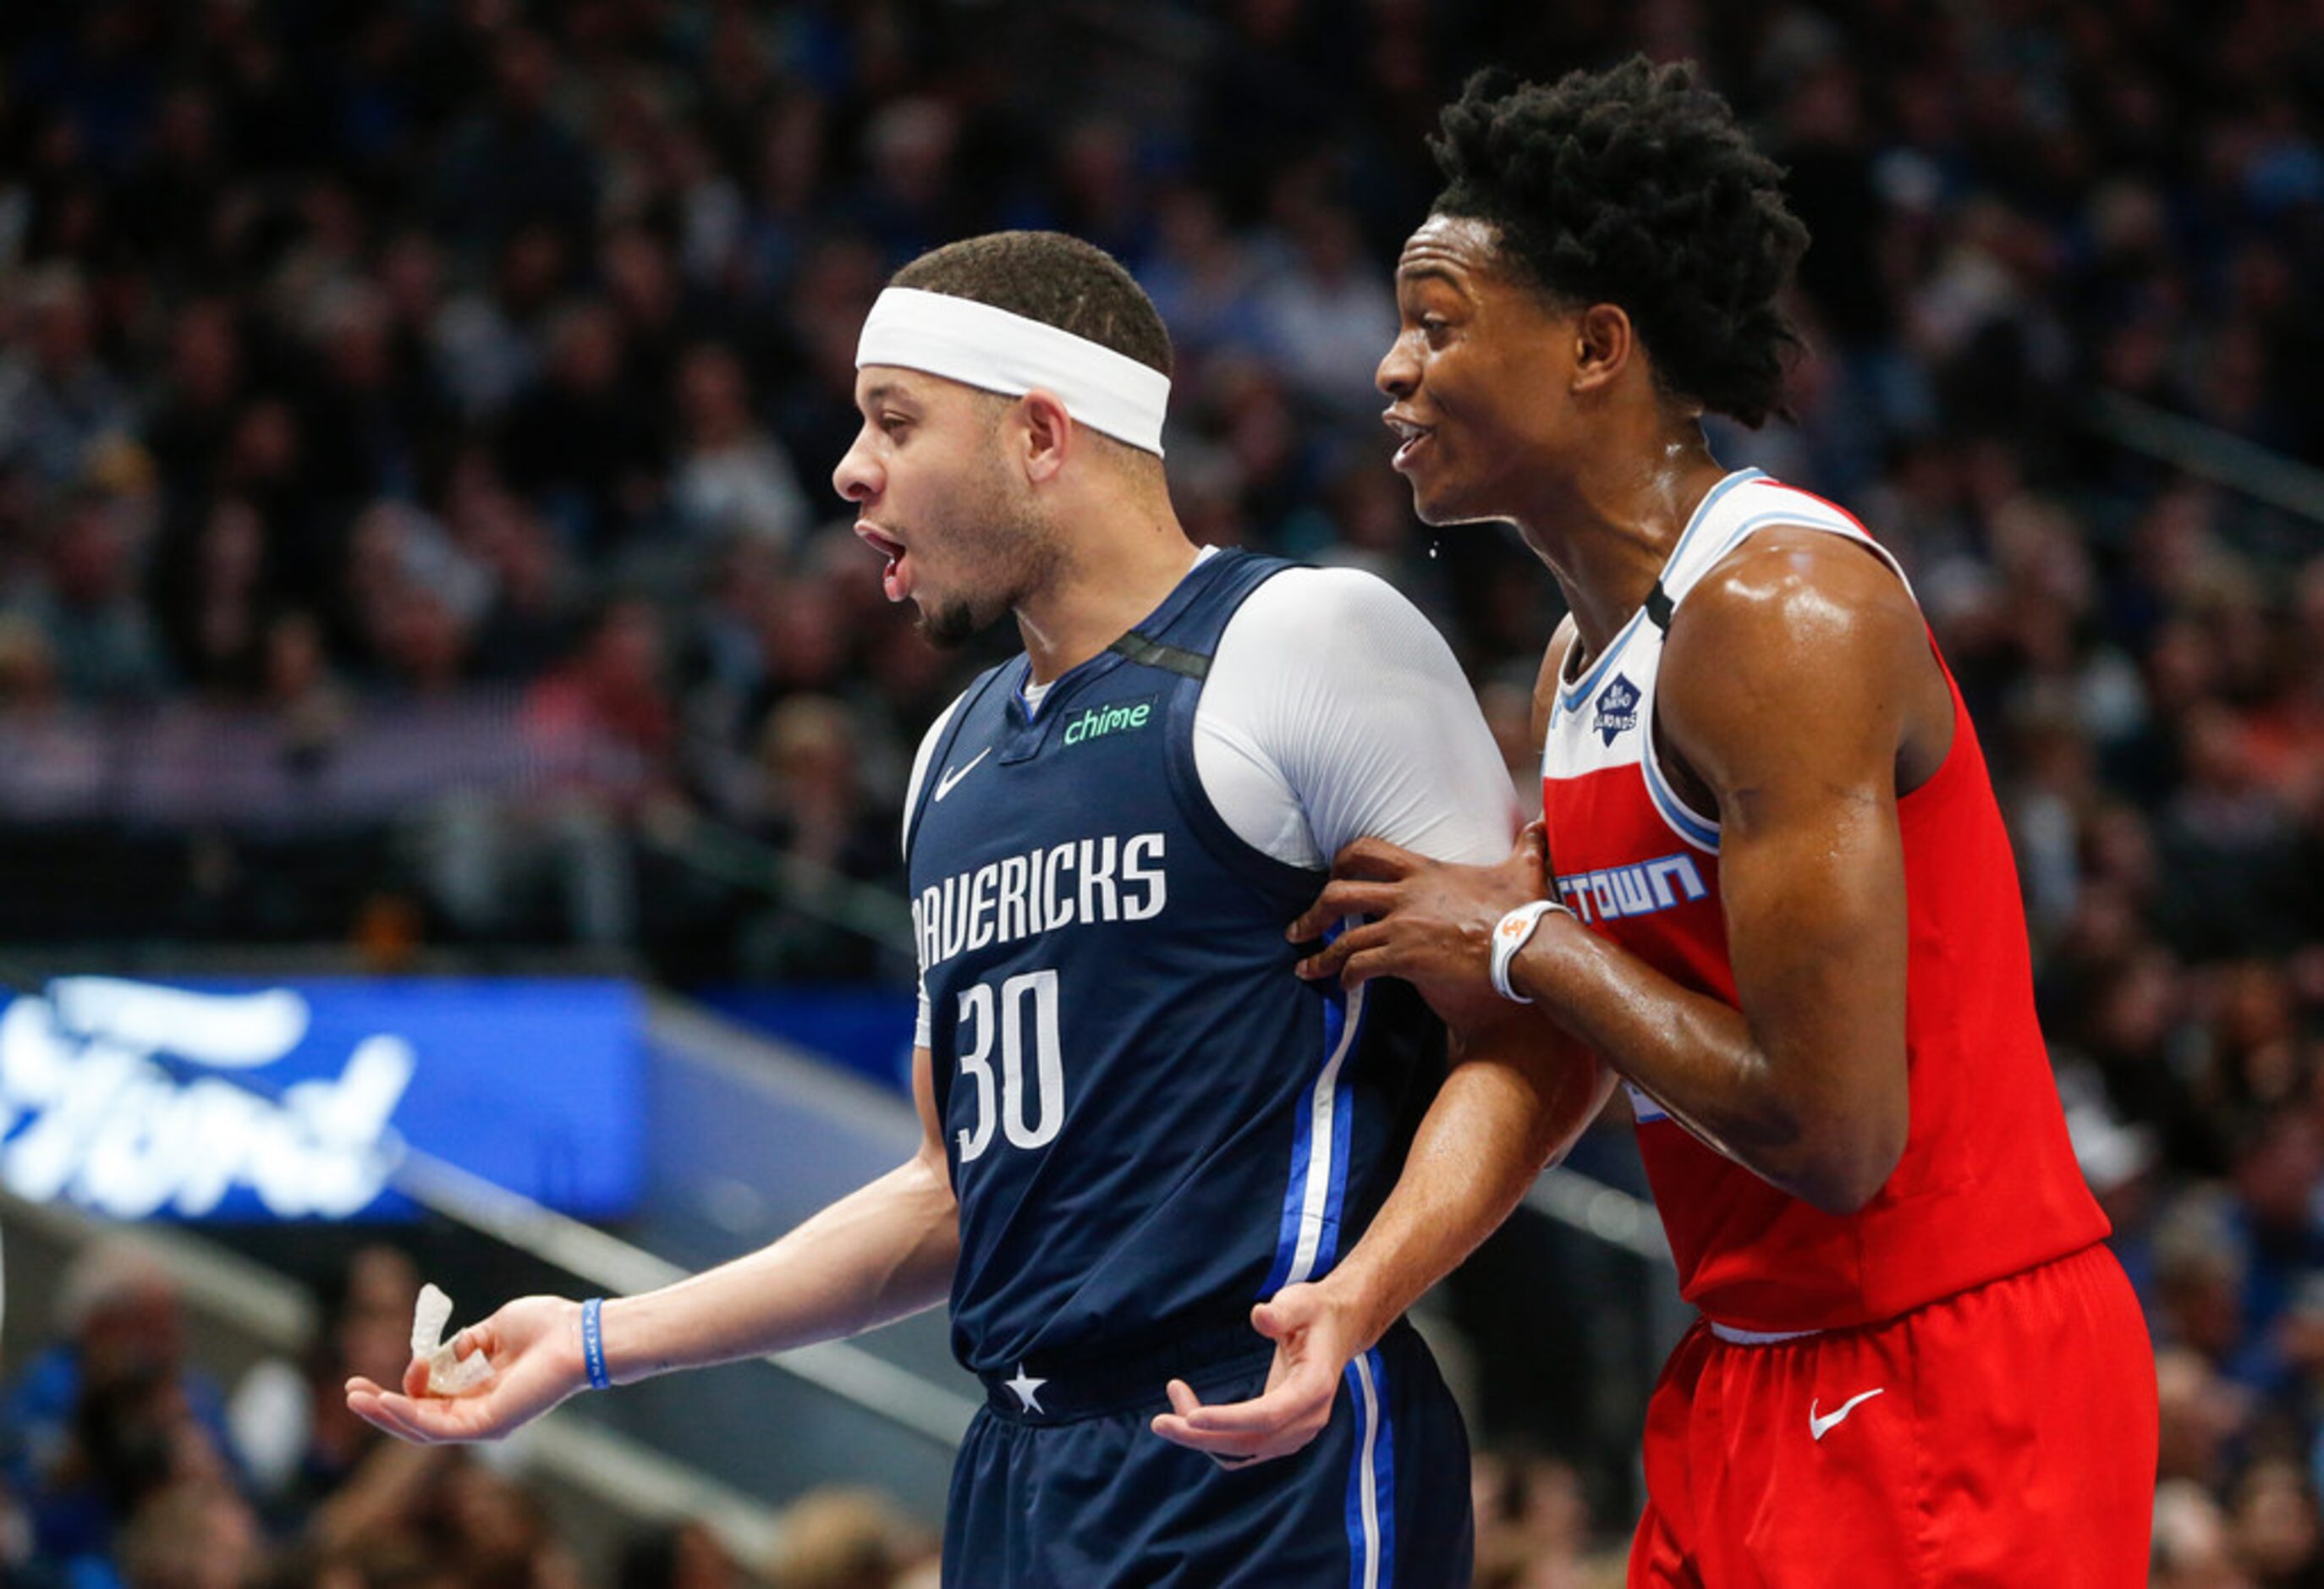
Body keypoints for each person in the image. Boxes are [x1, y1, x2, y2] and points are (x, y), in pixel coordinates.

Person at [346, 229, 1607, 1585]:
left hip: (1261, 1451)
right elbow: (953, 1193)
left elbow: (1539, 1034)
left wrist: (1364, 1298)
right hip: (1019, 1466)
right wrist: (599, 1338)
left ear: (1043, 434)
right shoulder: (950, 757)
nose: (848, 468)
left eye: (895, 419)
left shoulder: (1305, 641)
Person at [1286, 59, 2159, 1586]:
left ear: (1594, 347)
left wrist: (1515, 936)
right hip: (1753, 1362)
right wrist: (1364, 1289)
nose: (1389, 368)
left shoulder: (1778, 611)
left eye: (1436, 321)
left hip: (1944, 1366)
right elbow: (1572, 1039)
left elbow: (1835, 1134)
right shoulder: (1575, 661)